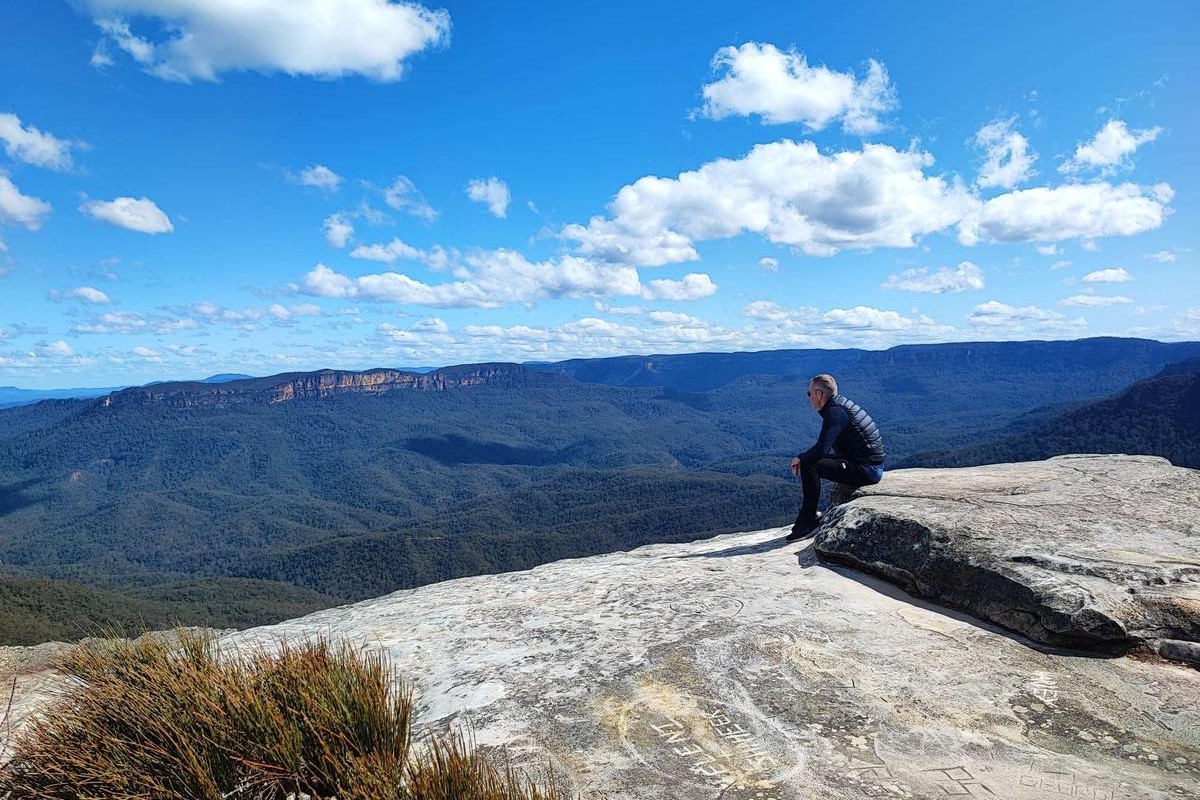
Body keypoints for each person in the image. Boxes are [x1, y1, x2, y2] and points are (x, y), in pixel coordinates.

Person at [786, 374, 884, 542]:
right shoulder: (839, 406)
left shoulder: (835, 413)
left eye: (809, 393)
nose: (808, 398)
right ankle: (809, 517)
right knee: (810, 461)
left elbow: (821, 450)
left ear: (818, 394)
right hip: (867, 463)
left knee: (810, 464)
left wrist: (800, 458)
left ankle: (807, 521)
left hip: (868, 470)